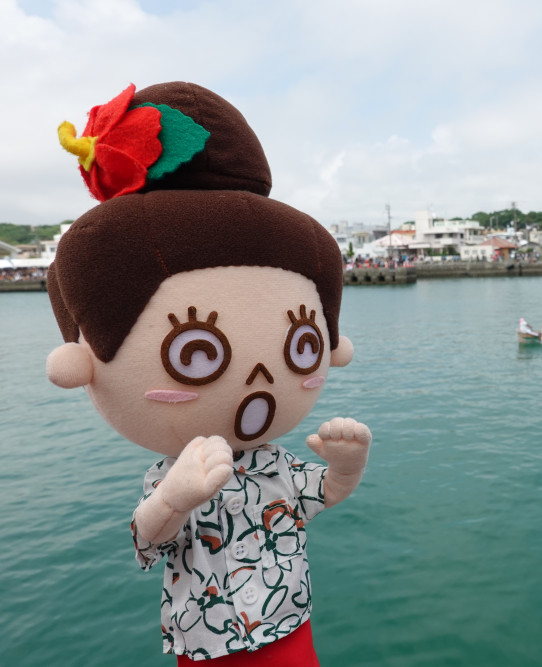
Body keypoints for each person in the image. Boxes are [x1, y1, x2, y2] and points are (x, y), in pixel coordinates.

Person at [46, 82, 371, 665]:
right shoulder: (172, 473)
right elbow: (147, 541)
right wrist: (175, 497)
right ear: (83, 363)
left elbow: (323, 493)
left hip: (289, 622)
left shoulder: (275, 464)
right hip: (209, 640)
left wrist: (347, 465)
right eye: (195, 351)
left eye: (303, 345)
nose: (260, 379)